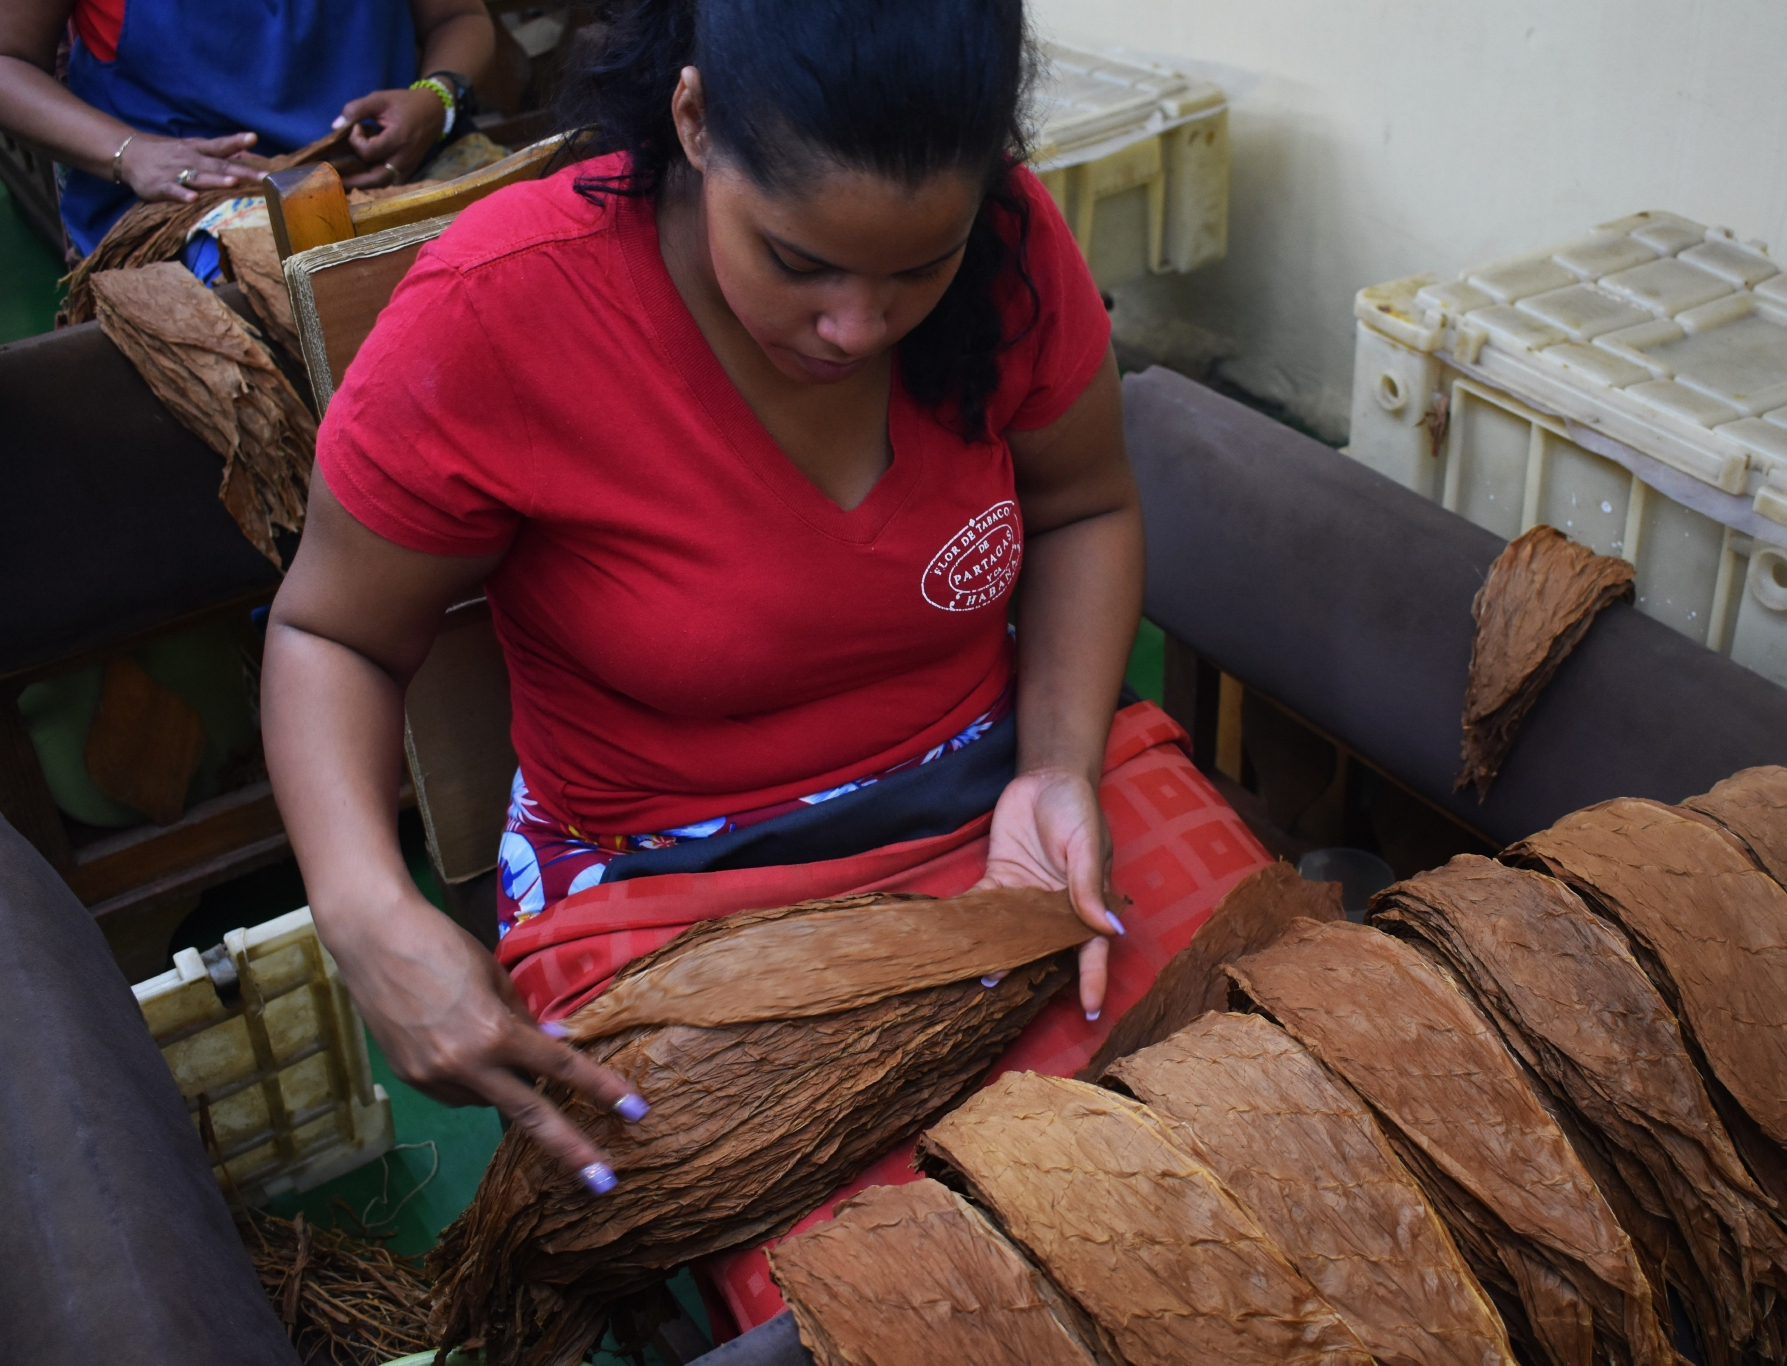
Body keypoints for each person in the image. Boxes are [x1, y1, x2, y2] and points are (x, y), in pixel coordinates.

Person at [260, 0, 1271, 1204]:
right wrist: (366, 908)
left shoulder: (1005, 239)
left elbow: (1083, 509)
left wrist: (1055, 767)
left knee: (1272, 1093)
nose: (856, 327)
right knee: (902, 1270)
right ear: (692, 121)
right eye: (797, 260)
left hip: (1002, 794)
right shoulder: (501, 307)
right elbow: (331, 633)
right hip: (673, 869)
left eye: (917, 268)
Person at [0, 0, 494, 255]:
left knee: (534, 247)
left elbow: (459, 17)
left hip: (396, 164)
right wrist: (130, 153)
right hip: (190, 195)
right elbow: (8, 61)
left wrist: (438, 99)